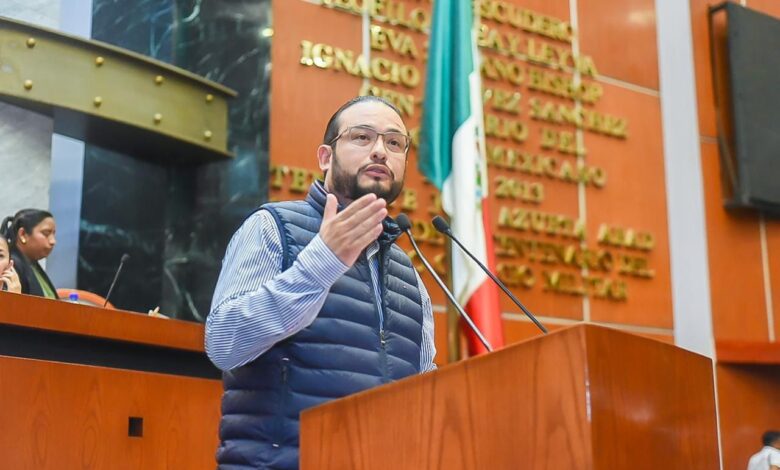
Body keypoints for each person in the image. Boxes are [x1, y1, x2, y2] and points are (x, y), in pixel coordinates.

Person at [206, 96, 435, 470]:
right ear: (326, 157)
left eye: (395, 142)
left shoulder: (408, 273)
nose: (381, 150)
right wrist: (322, 262)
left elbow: (426, 388)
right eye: (362, 137)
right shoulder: (273, 228)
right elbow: (223, 343)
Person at [1, 209, 57, 298]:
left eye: (54, 234)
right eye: (46, 233)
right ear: (22, 234)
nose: (53, 241)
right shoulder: (12, 266)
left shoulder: (33, 264)